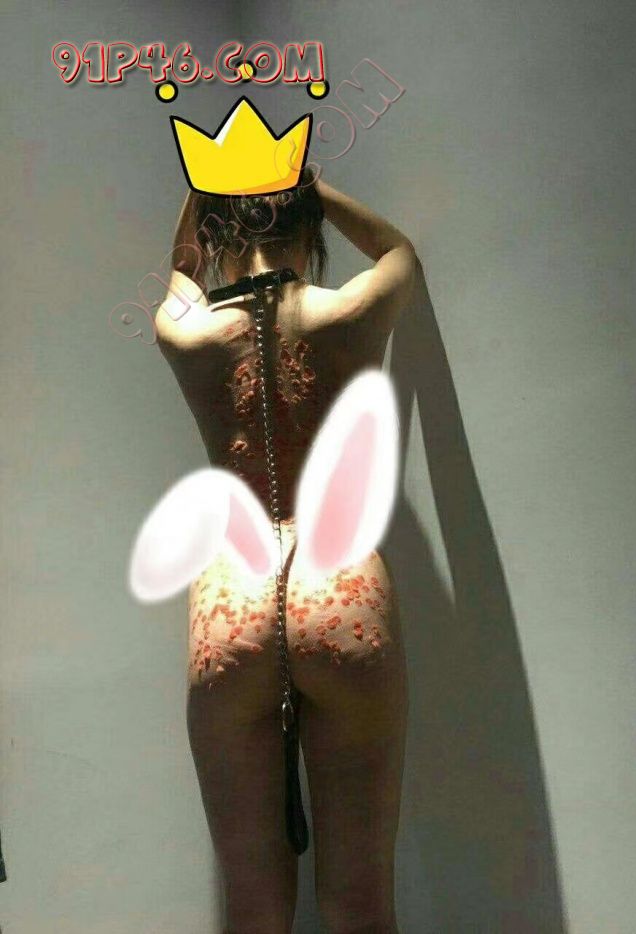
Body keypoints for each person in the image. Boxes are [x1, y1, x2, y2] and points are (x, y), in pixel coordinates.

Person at [154, 168, 418, 933]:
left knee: (253, 908)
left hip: (230, 603)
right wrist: (310, 182)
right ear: (307, 226)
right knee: (360, 904)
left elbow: (181, 266)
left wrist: (209, 179)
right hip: (344, 594)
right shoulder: (349, 312)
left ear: (218, 232)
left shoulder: (186, 331)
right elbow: (398, 251)